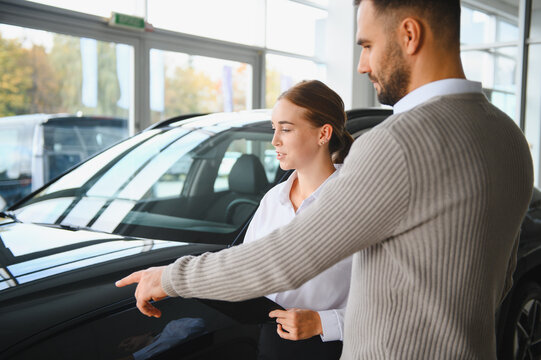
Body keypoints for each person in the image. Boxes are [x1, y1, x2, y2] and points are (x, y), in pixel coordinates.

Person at [116, 0, 534, 358]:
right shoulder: (510, 139)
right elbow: (501, 280)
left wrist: (170, 277)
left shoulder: (397, 143)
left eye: (368, 45)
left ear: (409, 35)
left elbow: (283, 259)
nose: (362, 64)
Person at [246, 80, 353, 359]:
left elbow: (391, 302)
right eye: (274, 129)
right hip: (270, 343)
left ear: (323, 134)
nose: (274, 141)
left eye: (286, 129)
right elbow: (245, 269)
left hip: (333, 348)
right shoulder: (272, 200)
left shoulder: (357, 203)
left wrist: (322, 322)